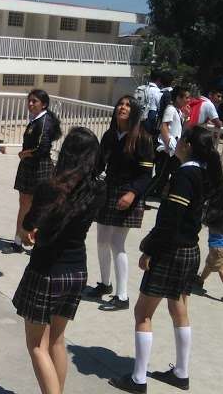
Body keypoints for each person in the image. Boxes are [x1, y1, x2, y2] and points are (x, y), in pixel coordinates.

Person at [109, 126, 223, 393]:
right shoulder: (205, 173)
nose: (177, 142)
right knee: (179, 309)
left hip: (171, 250)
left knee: (143, 313)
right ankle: (181, 373)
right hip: (189, 250)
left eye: (181, 139)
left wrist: (150, 248)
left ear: (188, 145)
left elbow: (170, 219)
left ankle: (138, 379)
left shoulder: (186, 175)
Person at [12, 127, 104, 393]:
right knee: (57, 341)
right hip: (76, 271)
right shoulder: (97, 189)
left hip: (46, 271)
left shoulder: (49, 188)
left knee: (36, 345)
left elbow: (27, 228)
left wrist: (30, 234)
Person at [86, 96, 155, 312]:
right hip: (108, 191)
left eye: (127, 105)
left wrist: (132, 194)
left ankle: (122, 295)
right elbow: (98, 165)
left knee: (117, 243)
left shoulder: (143, 137)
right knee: (101, 241)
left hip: (128, 194)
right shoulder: (109, 135)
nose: (122, 108)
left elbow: (146, 175)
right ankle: (104, 284)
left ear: (133, 111)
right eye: (120, 105)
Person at [4, 90, 62, 254]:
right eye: (29, 101)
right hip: (29, 166)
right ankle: (18, 241)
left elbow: (42, 147)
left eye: (34, 101)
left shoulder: (45, 121)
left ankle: (37, 242)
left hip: (39, 168)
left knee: (40, 206)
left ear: (43, 104)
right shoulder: (36, 120)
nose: (30, 104)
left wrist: (25, 154)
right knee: (24, 203)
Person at [195, 181, 223, 303]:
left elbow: (205, 221)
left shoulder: (216, 210)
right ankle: (200, 280)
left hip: (217, 245)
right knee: (210, 263)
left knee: (221, 268)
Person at [147, 87, 189, 199]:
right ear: (178, 98)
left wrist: (186, 116)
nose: (188, 100)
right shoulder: (170, 109)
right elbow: (164, 126)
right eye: (186, 97)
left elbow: (179, 129)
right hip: (167, 149)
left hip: (174, 149)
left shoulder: (178, 111)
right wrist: (168, 141)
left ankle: (160, 193)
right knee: (161, 175)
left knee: (171, 173)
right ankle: (143, 195)